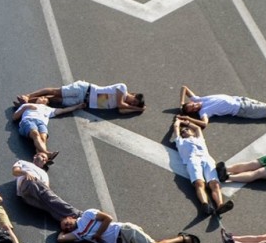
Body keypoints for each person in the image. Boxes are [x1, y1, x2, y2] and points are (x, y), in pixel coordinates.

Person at [58, 209, 200, 243]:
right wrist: (63, 232)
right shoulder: (78, 233)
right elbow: (60, 239)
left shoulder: (87, 215)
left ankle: (182, 238)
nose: (68, 226)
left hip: (124, 232)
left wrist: (97, 235)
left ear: (70, 217)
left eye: (66, 223)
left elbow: (108, 218)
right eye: (66, 227)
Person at [168, 115, 232, 216]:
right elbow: (176, 128)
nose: (184, 131)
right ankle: (205, 204)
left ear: (192, 132)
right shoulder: (180, 141)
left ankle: (220, 205)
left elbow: (197, 128)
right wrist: (178, 121)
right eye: (182, 132)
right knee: (199, 183)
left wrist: (187, 122)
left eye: (186, 130)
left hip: (207, 159)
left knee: (215, 184)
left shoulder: (199, 138)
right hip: (192, 160)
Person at [179, 85, 266, 124]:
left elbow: (184, 88)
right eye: (192, 109)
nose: (195, 106)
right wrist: (188, 119)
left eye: (192, 104)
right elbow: (204, 123)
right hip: (242, 109)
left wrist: (181, 103)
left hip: (240, 100)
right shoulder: (204, 112)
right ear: (193, 112)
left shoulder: (199, 99)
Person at [13, 96, 78, 168]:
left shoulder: (49, 109)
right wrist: (25, 107)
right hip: (28, 120)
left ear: (47, 102)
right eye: (41, 97)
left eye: (45, 98)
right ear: (37, 99)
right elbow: (14, 117)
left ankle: (40, 160)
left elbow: (64, 110)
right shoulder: (27, 105)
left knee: (43, 139)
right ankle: (47, 153)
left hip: (41, 123)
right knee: (35, 134)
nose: (42, 98)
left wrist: (78, 106)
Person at [13, 80, 145, 113]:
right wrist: (138, 109)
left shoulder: (122, 104)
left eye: (133, 104)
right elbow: (122, 105)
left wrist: (135, 109)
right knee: (55, 91)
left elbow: (122, 110)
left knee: (54, 100)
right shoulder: (122, 88)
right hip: (84, 90)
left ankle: (27, 102)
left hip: (82, 101)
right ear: (133, 95)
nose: (131, 104)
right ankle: (27, 96)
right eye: (134, 101)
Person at [11, 158, 80, 222]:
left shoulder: (44, 174)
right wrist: (25, 173)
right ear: (35, 156)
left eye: (45, 160)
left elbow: (47, 189)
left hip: (32, 195)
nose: (44, 159)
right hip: (28, 184)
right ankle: (78, 214)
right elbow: (15, 171)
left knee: (49, 206)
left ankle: (72, 221)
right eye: (43, 156)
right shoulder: (23, 162)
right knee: (51, 200)